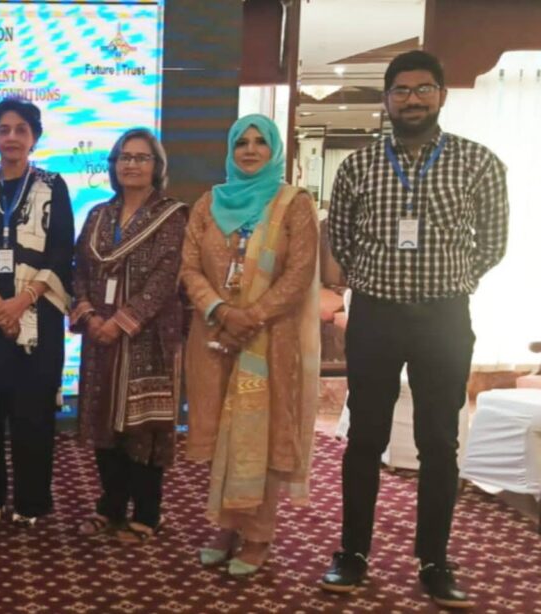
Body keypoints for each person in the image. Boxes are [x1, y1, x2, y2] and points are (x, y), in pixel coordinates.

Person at [321, 51, 508, 609]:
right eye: (401, 90)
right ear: (386, 99)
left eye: (424, 89)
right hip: (376, 317)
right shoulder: (358, 165)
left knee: (439, 443)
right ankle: (353, 552)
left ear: (442, 95)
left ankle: (435, 560)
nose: (412, 99)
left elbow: (493, 241)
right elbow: (342, 240)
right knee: (365, 439)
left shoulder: (478, 162)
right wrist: (373, 281)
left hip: (444, 319)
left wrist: (452, 279)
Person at [180, 114, 320, 576]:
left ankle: (258, 535)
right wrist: (222, 311)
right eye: (242, 142)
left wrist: (251, 316)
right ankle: (225, 527)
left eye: (261, 141)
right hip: (214, 336)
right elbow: (188, 267)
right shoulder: (208, 203)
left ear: (274, 149)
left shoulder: (294, 204)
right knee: (223, 433)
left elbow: (299, 273)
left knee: (261, 435)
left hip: (270, 339)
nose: (251, 149)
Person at [0, 97, 73, 527]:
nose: (12, 137)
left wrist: (23, 300)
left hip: (37, 317)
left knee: (33, 414)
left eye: (21, 129)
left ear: (34, 137)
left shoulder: (53, 187)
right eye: (3, 129)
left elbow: (62, 250)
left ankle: (30, 502)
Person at [70, 128, 187, 543]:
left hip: (147, 338)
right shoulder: (98, 215)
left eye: (141, 157)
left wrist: (121, 321)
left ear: (157, 167)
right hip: (98, 337)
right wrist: (88, 316)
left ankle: (148, 513)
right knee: (103, 421)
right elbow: (79, 270)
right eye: (124, 157)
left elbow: (166, 277)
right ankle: (111, 505)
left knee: (143, 426)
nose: (131, 164)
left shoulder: (172, 216)